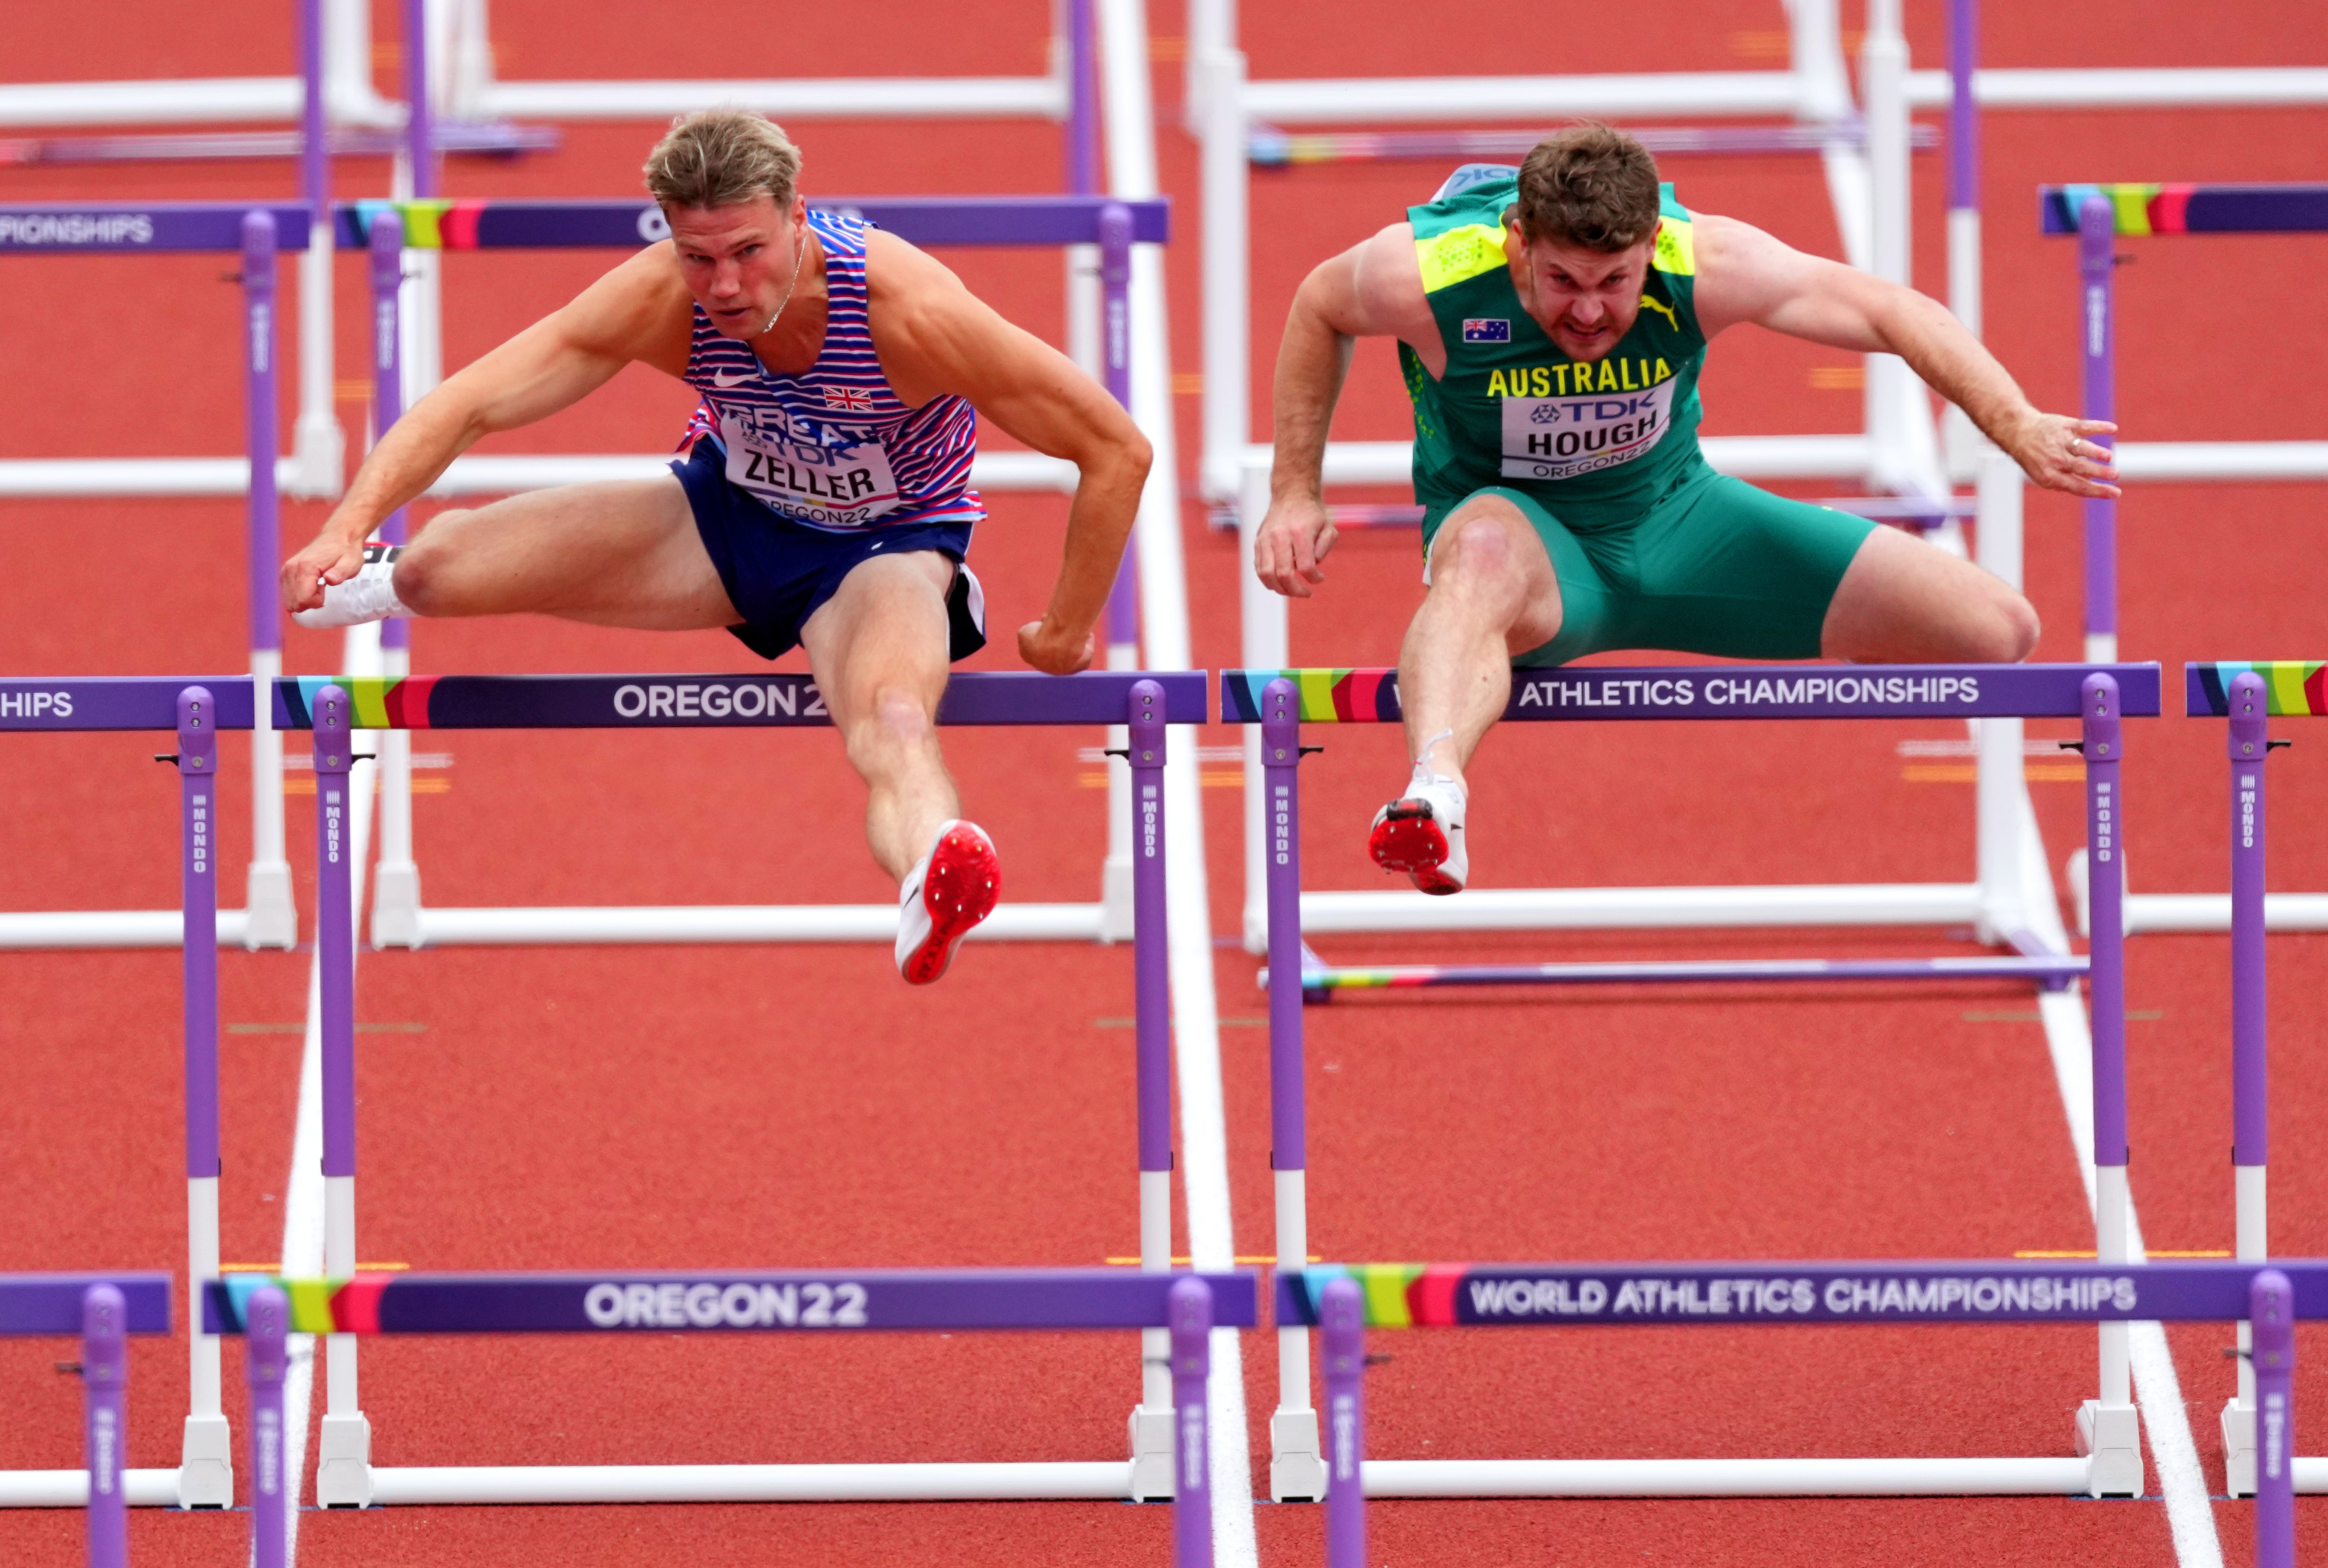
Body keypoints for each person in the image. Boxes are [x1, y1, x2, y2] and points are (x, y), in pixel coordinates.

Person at [281, 110, 1150, 983]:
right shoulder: (663, 296)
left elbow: (1115, 447)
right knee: (437, 568)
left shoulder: (911, 312)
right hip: (728, 520)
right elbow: (470, 402)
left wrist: (1069, 629)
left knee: (892, 720)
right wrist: (349, 526)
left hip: (881, 553)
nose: (725, 285)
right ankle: (392, 578)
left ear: (798, 215)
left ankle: (935, 870)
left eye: (748, 251)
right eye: (699, 258)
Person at [1251, 124, 2116, 895]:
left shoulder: (1706, 260)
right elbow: (1318, 306)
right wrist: (1295, 489)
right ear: (1516, 241)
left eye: (1615, 283)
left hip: (1684, 525)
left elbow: (1892, 309)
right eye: (1562, 281)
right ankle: (1433, 794)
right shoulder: (1426, 273)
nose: (1589, 310)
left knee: (1997, 630)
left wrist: (2016, 423)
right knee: (1478, 550)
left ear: (1652, 244)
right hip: (1532, 557)